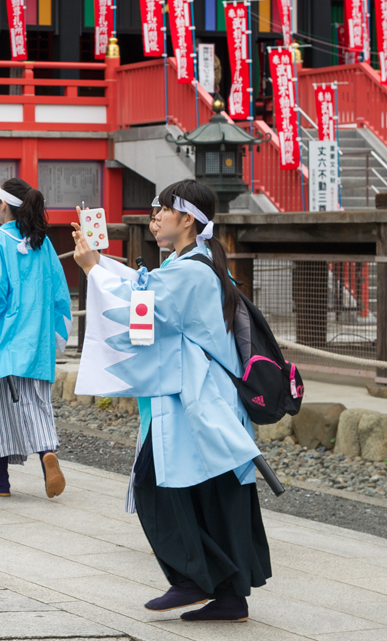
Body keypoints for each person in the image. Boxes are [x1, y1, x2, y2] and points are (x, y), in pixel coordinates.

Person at [73, 179, 269, 623]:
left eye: (162, 210)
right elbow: (146, 287)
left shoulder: (190, 270)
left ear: (186, 219)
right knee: (213, 495)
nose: (154, 217)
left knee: (155, 486)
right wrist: (101, 263)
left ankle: (193, 580)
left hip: (195, 406)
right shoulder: (195, 264)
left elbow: (139, 302)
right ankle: (228, 596)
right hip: (206, 404)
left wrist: (93, 270)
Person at [0, 178, 72, 500]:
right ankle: (47, 455)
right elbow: (59, 295)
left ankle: (1, 481)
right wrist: (56, 338)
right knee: (37, 407)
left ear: (2, 205)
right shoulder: (44, 243)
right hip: (35, 346)